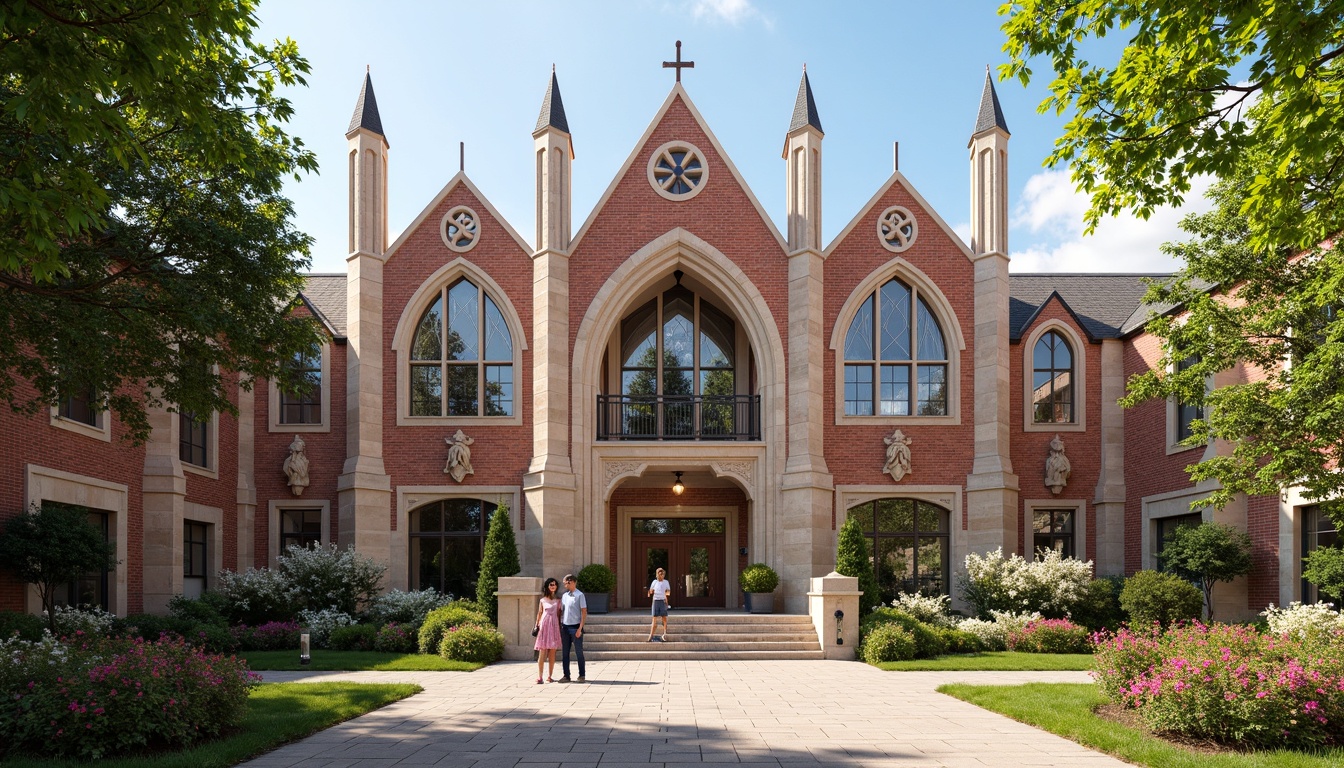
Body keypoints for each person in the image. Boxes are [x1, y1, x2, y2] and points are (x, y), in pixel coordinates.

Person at [558, 573, 587, 682]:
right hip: (565, 627)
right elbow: (562, 611)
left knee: (579, 652)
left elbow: (584, 612)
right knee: (565, 652)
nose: (565, 585)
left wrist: (580, 628)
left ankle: (582, 675)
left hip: (575, 627)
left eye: (566, 583)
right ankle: (566, 675)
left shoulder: (580, 595)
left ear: (572, 582)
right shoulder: (565, 596)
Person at [533, 577, 562, 684]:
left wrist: (559, 627)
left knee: (552, 653)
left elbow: (559, 616)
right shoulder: (542, 600)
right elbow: (539, 614)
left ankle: (550, 676)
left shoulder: (558, 600)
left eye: (554, 584)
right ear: (547, 586)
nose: (553, 586)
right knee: (542, 652)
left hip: (554, 627)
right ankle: (540, 677)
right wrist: (537, 626)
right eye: (551, 584)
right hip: (544, 627)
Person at [647, 567, 671, 641]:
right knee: (654, 618)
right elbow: (650, 592)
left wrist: (666, 601)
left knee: (664, 618)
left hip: (663, 601)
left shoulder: (666, 582)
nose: (661, 575)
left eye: (662, 574)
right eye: (659, 574)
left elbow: (668, 593)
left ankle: (664, 634)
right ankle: (651, 635)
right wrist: (650, 592)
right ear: (657, 575)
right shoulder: (654, 582)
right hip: (655, 601)